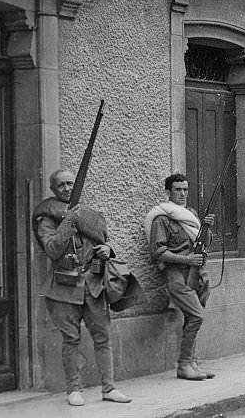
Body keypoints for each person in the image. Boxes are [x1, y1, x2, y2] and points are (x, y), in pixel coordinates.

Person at [33, 169, 131, 406]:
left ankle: (109, 388)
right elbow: (53, 250)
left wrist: (108, 250)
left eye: (70, 184)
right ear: (53, 190)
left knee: (103, 338)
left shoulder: (87, 215)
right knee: (71, 340)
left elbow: (103, 240)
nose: (67, 188)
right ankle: (73, 390)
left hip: (94, 286)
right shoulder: (46, 219)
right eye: (61, 185)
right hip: (64, 290)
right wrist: (68, 221)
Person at [145, 173, 217, 380]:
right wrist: (187, 261)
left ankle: (192, 362)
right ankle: (184, 365)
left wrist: (207, 227)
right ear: (168, 192)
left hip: (198, 275)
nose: (183, 194)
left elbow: (203, 243)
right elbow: (157, 252)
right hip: (177, 275)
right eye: (178, 189)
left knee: (191, 318)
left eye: (185, 189)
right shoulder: (162, 219)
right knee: (197, 316)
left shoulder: (190, 214)